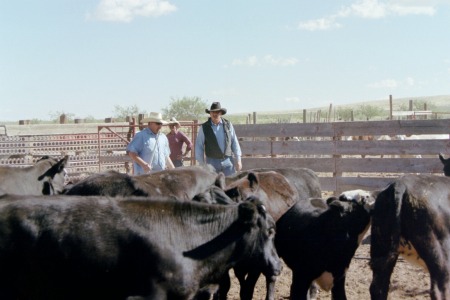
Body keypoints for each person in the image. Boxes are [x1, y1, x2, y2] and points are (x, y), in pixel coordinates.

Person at [195, 102, 242, 176]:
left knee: (230, 185)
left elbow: (234, 142)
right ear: (210, 113)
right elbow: (199, 146)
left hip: (228, 161)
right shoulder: (204, 127)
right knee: (213, 185)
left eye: (217, 112)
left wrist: (238, 160)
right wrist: (202, 164)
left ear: (221, 113)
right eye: (213, 112)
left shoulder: (228, 125)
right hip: (211, 163)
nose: (215, 114)